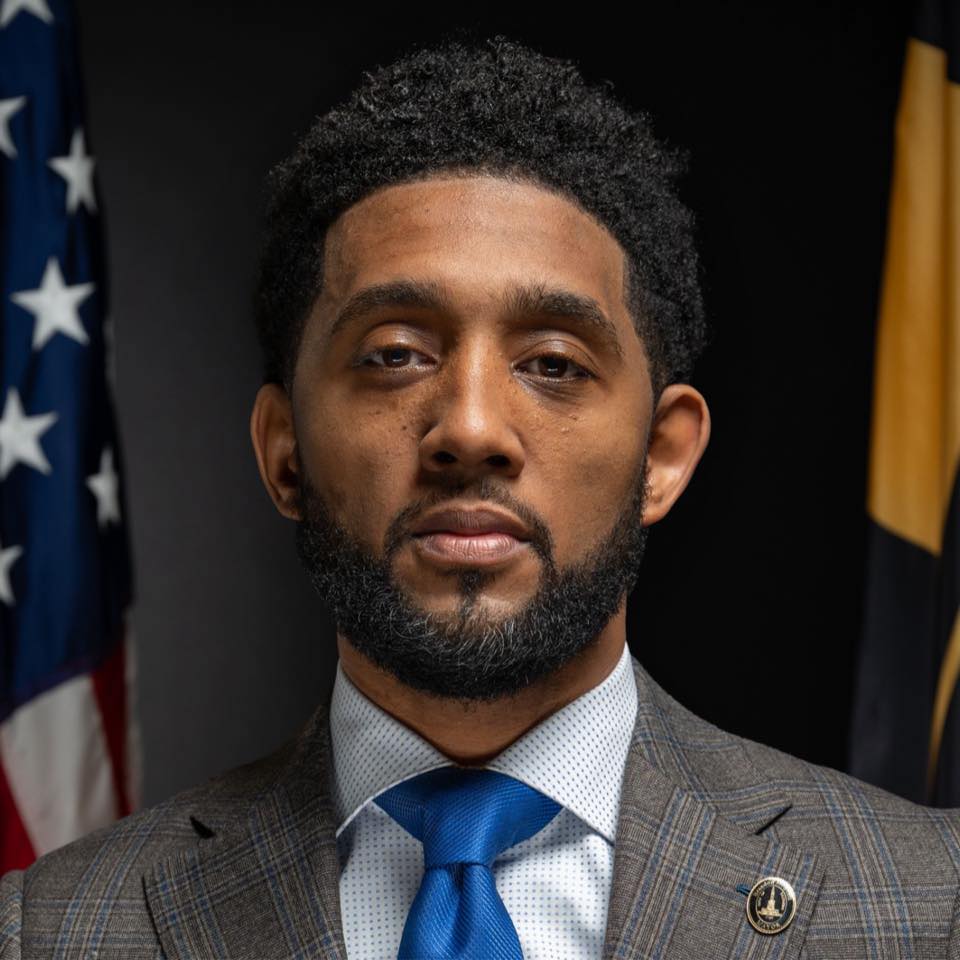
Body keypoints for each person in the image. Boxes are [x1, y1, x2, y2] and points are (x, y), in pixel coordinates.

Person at [3, 33, 960, 960]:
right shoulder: (44, 931)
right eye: (394, 356)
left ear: (662, 458)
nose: (469, 429)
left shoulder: (935, 903)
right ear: (285, 452)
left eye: (552, 362)